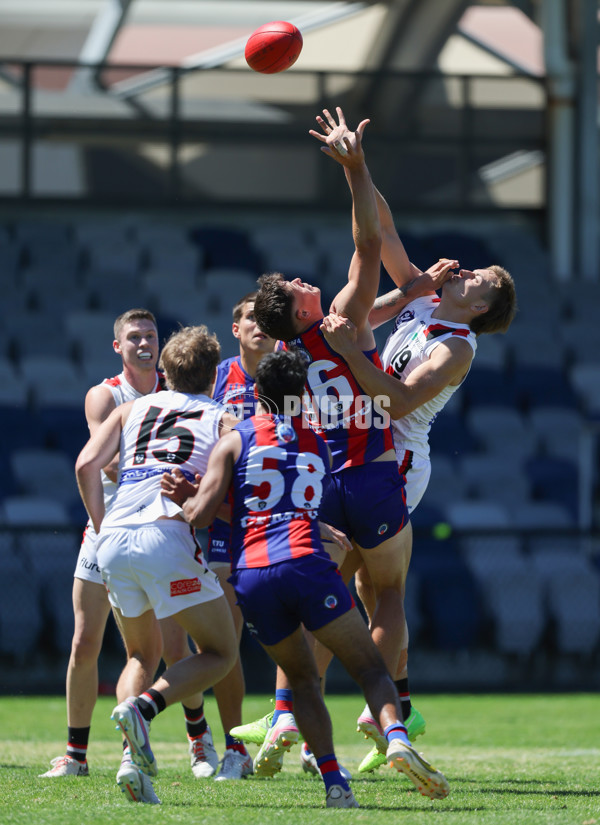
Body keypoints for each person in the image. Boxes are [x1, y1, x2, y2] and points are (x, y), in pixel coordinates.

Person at [314, 108, 518, 772]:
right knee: (363, 589)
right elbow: (383, 230)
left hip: (396, 458)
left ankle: (342, 710)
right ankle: (396, 708)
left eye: (479, 278)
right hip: (357, 444)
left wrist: (351, 351)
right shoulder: (425, 301)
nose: (468, 271)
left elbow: (399, 400)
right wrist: (357, 166)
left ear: (481, 307)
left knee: (373, 587)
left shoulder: (458, 349)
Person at [163, 348, 450, 808]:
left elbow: (204, 513)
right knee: (373, 667)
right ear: (303, 395)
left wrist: (185, 496)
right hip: (308, 564)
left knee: (301, 679)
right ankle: (394, 734)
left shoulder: (237, 438)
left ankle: (313, 757)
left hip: (253, 576)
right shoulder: (317, 443)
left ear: (256, 392)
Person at [245, 106, 417, 775]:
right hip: (370, 470)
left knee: (327, 604)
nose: (301, 280)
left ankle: (287, 711)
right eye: (294, 287)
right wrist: (356, 169)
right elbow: (371, 245)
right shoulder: (342, 319)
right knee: (391, 592)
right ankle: (386, 713)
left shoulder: (285, 362)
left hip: (319, 486)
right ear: (301, 311)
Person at [39, 309, 211, 785]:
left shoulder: (175, 392)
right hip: (108, 529)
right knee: (84, 642)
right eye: (133, 337)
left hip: (160, 530)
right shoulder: (107, 394)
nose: (143, 343)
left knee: (173, 646)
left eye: (150, 336)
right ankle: (76, 753)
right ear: (118, 346)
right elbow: (107, 463)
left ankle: (198, 739)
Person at [74, 324, 240, 804]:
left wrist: (103, 526)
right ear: (214, 377)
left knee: (139, 655)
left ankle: (131, 760)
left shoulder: (130, 407)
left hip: (112, 541)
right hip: (166, 538)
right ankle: (144, 710)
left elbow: (87, 466)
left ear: (164, 372)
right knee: (219, 653)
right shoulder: (222, 416)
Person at [204, 292, 275, 780]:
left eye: (268, 319)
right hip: (229, 519)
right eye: (251, 317)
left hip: (281, 516)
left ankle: (309, 738)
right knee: (226, 638)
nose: (260, 326)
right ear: (236, 328)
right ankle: (235, 748)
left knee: (308, 630)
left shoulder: (295, 373)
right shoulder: (216, 378)